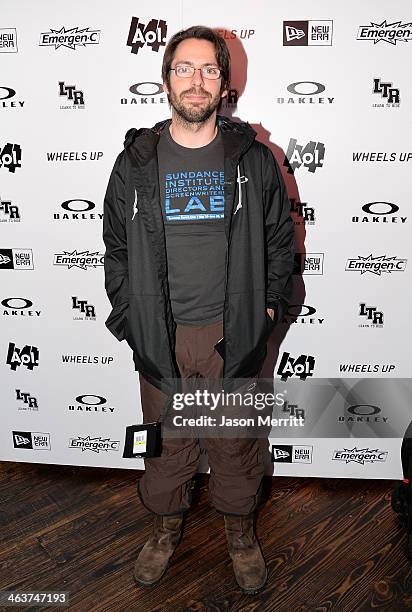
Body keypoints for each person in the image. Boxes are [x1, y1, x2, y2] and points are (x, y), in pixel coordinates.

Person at [103, 25, 295, 595]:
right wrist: (129, 317)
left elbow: (280, 242)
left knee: (235, 445)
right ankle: (165, 529)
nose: (196, 80)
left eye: (209, 69)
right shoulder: (135, 161)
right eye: (184, 68)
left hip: (229, 334)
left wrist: (263, 314)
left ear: (224, 83)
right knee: (165, 443)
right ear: (165, 80)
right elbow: (115, 246)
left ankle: (239, 532)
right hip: (161, 333)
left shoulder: (253, 160)